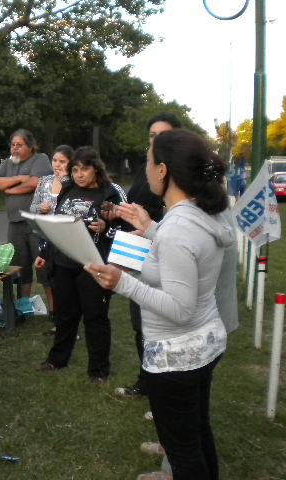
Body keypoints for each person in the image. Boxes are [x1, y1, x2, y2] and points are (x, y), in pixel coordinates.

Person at [86, 129, 233, 480]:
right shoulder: (198, 214)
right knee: (196, 435)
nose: (146, 169)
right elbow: (184, 256)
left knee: (184, 452)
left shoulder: (178, 227)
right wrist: (152, 230)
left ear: (163, 169)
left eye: (148, 161)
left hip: (177, 357)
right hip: (202, 345)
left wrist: (122, 283)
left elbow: (180, 307)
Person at [35, 146, 123, 383]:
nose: (79, 174)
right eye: (75, 170)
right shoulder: (68, 189)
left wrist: (106, 227)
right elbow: (57, 223)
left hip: (92, 265)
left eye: (84, 169)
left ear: (96, 169)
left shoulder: (110, 193)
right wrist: (45, 251)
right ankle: (57, 359)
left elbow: (125, 227)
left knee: (95, 317)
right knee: (64, 315)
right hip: (63, 262)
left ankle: (98, 371)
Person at [115, 112, 182, 398]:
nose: (156, 141)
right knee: (139, 322)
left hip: (166, 259)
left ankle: (166, 388)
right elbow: (133, 209)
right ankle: (146, 380)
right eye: (152, 136)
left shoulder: (181, 178)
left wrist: (150, 227)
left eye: (163, 135)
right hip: (136, 254)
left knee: (162, 325)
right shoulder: (146, 174)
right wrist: (117, 214)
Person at [0, 129, 52, 298]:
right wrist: (20, 178)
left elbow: (35, 182)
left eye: (19, 145)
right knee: (19, 268)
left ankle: (55, 309)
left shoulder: (40, 159)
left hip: (37, 223)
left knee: (44, 268)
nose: (15, 148)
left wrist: (10, 189)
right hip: (15, 223)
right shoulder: (8, 163)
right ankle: (23, 305)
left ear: (30, 146)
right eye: (13, 145)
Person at [29, 144, 73, 333]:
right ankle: (55, 313)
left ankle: (67, 318)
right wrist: (40, 208)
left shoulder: (74, 183)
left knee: (65, 279)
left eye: (62, 161)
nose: (57, 164)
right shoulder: (44, 181)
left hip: (65, 238)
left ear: (70, 163)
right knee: (48, 277)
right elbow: (32, 207)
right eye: (55, 160)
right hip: (44, 237)